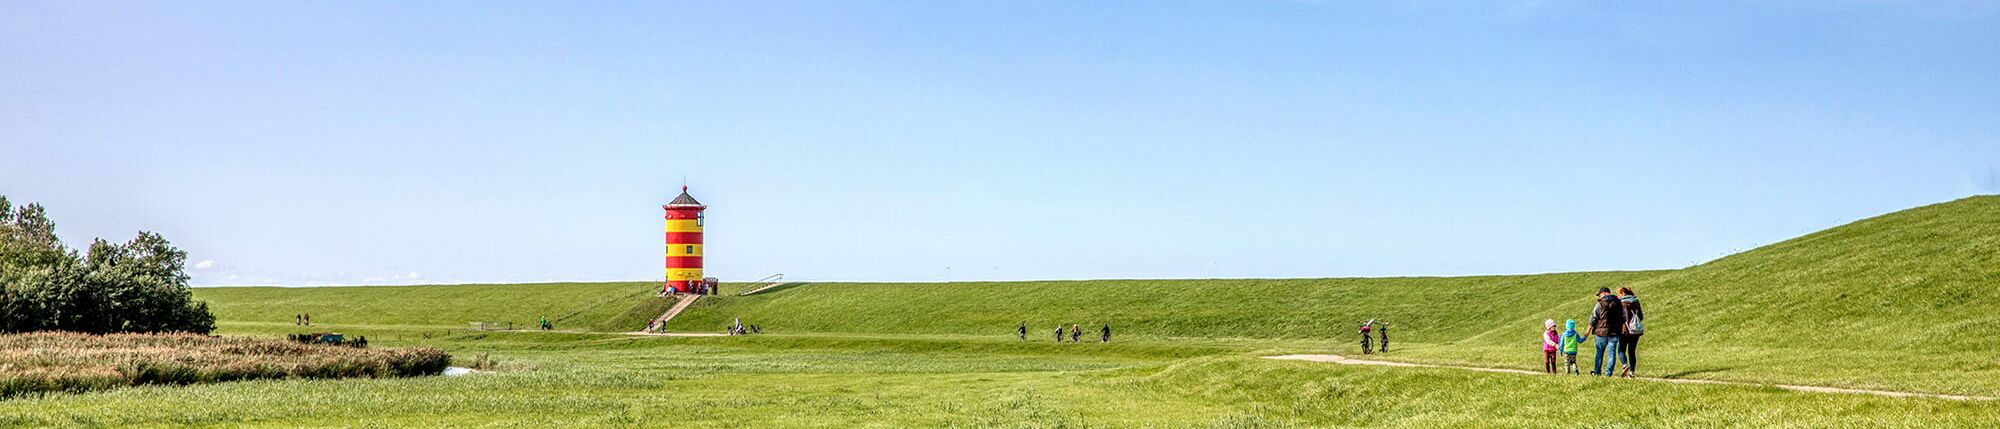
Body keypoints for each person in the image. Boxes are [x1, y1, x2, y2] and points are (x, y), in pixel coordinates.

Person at [1587, 287, 1626, 376]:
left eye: (1600, 294)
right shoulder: (1618, 302)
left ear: (1604, 293)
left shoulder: (1600, 303)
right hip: (1615, 332)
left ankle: (1597, 372)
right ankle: (1608, 373)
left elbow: (1593, 318)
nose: (1599, 297)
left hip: (1601, 333)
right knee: (1612, 353)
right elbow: (1623, 317)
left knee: (1599, 353)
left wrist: (1587, 332)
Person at [1618, 287, 1646, 378]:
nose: (1618, 295)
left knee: (1621, 350)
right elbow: (1641, 316)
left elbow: (1619, 317)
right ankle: (1632, 372)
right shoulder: (1636, 301)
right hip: (1635, 331)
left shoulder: (1620, 302)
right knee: (1632, 351)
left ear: (1623, 293)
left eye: (1619, 293)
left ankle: (1625, 365)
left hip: (1624, 330)